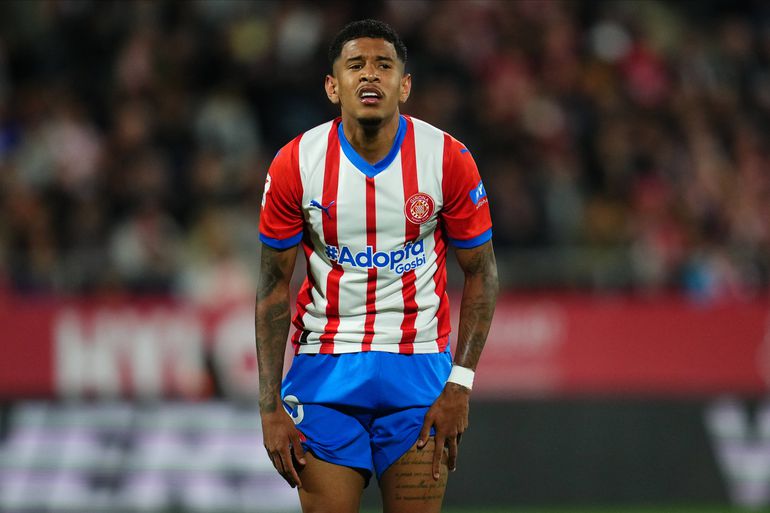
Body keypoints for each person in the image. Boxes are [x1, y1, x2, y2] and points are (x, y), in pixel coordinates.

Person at [255, 19, 498, 513]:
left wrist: (461, 383)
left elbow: (483, 273)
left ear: (404, 86)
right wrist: (268, 406)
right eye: (356, 65)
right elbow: (272, 287)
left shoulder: (446, 158)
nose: (370, 75)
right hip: (325, 377)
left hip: (419, 379)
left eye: (384, 65)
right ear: (333, 86)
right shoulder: (295, 163)